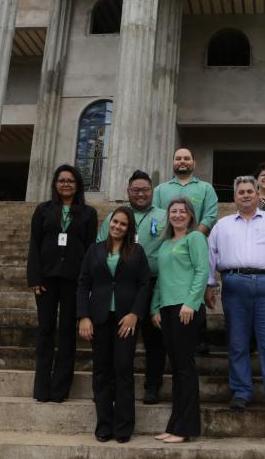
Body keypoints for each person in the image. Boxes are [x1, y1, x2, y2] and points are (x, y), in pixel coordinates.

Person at [207, 176, 265, 412]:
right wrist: (209, 284)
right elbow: (210, 255)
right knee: (238, 342)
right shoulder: (222, 225)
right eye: (241, 192)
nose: (246, 195)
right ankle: (241, 391)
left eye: (250, 191)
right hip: (235, 288)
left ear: (258, 195)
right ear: (234, 197)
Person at [77, 207, 151, 443]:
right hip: (98, 318)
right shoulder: (95, 250)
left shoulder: (137, 252)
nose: (117, 227)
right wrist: (83, 316)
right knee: (101, 372)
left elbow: (144, 285)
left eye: (123, 224)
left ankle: (124, 426)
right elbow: (83, 284)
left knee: (123, 370)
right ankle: (104, 425)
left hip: (125, 320)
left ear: (129, 229)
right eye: (115, 222)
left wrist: (135, 314)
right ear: (109, 223)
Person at [26, 164, 97, 403]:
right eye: (61, 180)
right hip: (46, 279)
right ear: (55, 184)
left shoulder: (88, 213)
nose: (66, 184)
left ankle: (59, 390)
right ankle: (42, 389)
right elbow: (34, 245)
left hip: (73, 280)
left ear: (78, 186)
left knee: (67, 332)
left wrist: (86, 284)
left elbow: (90, 250)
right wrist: (34, 278)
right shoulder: (43, 210)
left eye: (71, 181)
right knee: (46, 330)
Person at [97, 170, 167, 405]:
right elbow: (100, 249)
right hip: (122, 287)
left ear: (152, 191)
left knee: (154, 339)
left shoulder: (163, 215)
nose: (141, 194)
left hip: (155, 285)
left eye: (145, 190)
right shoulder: (115, 217)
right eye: (136, 190)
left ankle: (153, 385)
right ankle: (113, 386)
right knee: (121, 339)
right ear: (128, 192)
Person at [151, 196, 209, 443]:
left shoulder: (195, 238)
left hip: (186, 309)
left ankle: (186, 428)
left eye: (182, 211)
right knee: (176, 368)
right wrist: (155, 308)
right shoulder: (164, 245)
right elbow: (160, 279)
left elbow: (202, 271)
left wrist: (191, 303)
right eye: (173, 211)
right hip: (166, 309)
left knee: (185, 368)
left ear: (190, 215)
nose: (177, 215)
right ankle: (175, 424)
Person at [153, 147, 218, 354]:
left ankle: (200, 338)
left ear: (193, 163)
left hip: (194, 247)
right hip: (170, 247)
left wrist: (189, 238)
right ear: (173, 162)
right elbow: (156, 218)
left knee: (196, 287)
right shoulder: (161, 190)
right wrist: (174, 238)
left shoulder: (206, 189)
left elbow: (210, 216)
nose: (182, 161)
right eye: (178, 158)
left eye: (186, 158)